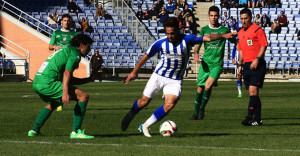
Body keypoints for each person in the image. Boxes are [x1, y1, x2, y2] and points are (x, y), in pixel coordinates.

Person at [120, 17, 236, 137]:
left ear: (178, 31)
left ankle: (145, 125)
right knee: (143, 102)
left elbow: (207, 37)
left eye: (172, 33)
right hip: (159, 76)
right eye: (168, 33)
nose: (170, 36)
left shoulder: (187, 39)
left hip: (174, 80)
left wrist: (222, 36)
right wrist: (134, 72)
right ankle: (131, 113)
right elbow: (146, 56)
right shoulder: (161, 43)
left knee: (170, 104)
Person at [28, 34, 95, 139]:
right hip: (48, 82)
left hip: (38, 82)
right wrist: (65, 93)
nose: (89, 50)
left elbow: (68, 79)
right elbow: (66, 74)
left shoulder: (67, 50)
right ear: (81, 45)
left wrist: (88, 79)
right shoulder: (75, 54)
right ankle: (76, 132)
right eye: (88, 47)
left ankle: (34, 130)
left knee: (53, 103)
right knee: (83, 96)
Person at [191, 6, 237, 120]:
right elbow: (197, 45)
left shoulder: (225, 30)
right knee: (200, 88)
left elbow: (236, 42)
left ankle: (201, 109)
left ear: (219, 16)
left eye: (215, 15)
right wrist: (196, 53)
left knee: (208, 85)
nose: (213, 18)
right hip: (205, 63)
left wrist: (237, 54)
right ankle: (196, 114)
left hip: (217, 64)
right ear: (208, 16)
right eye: (211, 15)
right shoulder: (204, 30)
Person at [238, 8, 268, 126]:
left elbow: (264, 45)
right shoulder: (240, 32)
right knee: (253, 94)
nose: (244, 21)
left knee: (253, 90)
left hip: (257, 64)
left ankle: (249, 116)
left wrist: (257, 59)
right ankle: (258, 120)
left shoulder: (258, 29)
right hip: (246, 65)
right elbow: (241, 50)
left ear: (250, 18)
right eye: (242, 19)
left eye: (246, 18)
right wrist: (240, 65)